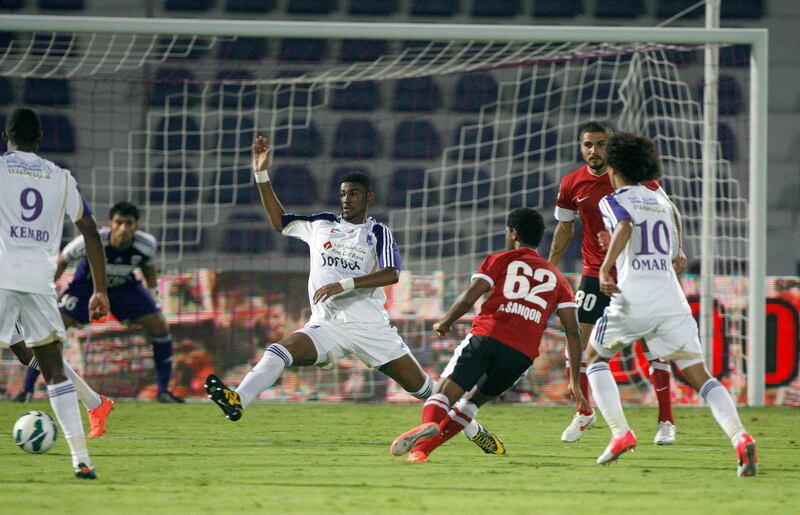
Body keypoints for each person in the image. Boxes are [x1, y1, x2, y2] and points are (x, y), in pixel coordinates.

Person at [204, 136, 503, 454]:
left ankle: (473, 429)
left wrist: (343, 285)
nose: (347, 199)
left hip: (370, 326)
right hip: (328, 326)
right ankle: (238, 399)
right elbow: (279, 222)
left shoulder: (376, 232)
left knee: (425, 390)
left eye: (355, 194)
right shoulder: (320, 224)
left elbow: (392, 273)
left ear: (369, 198)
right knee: (280, 349)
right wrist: (261, 174)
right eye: (344, 194)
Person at [584, 132, 757, 476]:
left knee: (594, 359)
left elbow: (625, 225)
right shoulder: (662, 202)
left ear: (614, 167)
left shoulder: (613, 199)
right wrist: (676, 254)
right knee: (700, 377)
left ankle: (621, 434)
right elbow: (675, 245)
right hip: (671, 299)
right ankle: (741, 439)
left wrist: (606, 268)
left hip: (633, 297)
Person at [389, 208, 586, 463]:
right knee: (469, 405)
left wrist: (445, 321)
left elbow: (470, 295)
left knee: (443, 393)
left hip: (489, 336)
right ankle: (421, 451)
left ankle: (430, 425)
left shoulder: (501, 259)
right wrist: (576, 381)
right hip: (521, 354)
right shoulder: (559, 279)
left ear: (513, 233)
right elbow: (573, 331)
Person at [548, 120, 686, 445]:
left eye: (600, 144)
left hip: (634, 272)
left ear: (610, 146)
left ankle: (666, 420)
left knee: (653, 344)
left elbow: (669, 210)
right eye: (588, 145)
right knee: (578, 343)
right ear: (581, 148)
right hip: (594, 272)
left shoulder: (632, 178)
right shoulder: (572, 183)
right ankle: (584, 412)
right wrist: (550, 267)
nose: (594, 151)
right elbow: (565, 228)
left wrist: (678, 250)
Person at [0, 107, 110, 479]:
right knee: (52, 372)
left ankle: (96, 405)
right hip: (39, 284)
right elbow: (91, 232)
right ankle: (81, 458)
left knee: (26, 353)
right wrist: (100, 290)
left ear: (6, 137)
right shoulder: (60, 178)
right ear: (41, 140)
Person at [16, 201, 184, 404]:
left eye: (128, 223)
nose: (123, 228)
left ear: (136, 226)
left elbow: (147, 268)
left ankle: (163, 392)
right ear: (110, 223)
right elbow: (62, 260)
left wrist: (151, 298)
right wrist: (48, 290)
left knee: (160, 325)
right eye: (119, 222)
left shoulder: (146, 244)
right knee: (51, 330)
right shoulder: (91, 240)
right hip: (86, 287)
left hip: (124, 288)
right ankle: (27, 390)